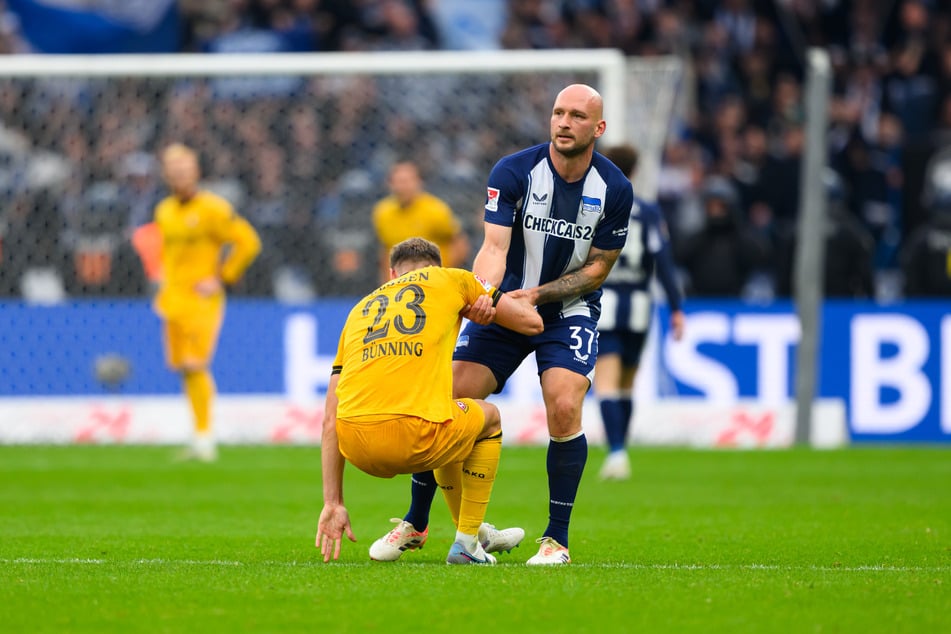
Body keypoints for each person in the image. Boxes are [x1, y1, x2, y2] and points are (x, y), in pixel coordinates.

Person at [371, 83, 634, 565]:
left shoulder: (615, 188)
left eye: (577, 116)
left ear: (597, 128)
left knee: (563, 403)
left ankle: (556, 539)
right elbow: (493, 248)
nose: (563, 122)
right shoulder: (514, 171)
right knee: (449, 396)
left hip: (568, 308)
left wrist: (539, 294)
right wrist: (484, 298)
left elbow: (598, 268)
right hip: (506, 303)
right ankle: (417, 521)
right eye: (558, 112)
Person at [315, 237, 543, 564]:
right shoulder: (451, 278)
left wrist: (333, 502)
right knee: (487, 417)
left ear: (391, 273)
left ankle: (470, 533)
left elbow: (328, 419)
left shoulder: (359, 310)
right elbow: (531, 323)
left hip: (357, 449)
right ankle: (467, 540)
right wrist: (487, 308)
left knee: (448, 417)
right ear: (438, 265)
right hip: (413, 438)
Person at [152, 143, 261, 461]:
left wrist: (222, 277)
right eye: (173, 169)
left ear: (196, 172)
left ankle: (205, 440)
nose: (179, 174)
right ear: (166, 174)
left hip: (201, 300)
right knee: (184, 369)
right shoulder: (164, 211)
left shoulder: (213, 208)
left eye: (184, 168)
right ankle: (199, 435)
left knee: (195, 364)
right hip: (172, 299)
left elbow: (248, 242)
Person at [595, 144, 685, 481]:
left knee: (606, 383)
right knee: (626, 384)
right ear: (634, 172)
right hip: (639, 309)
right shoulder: (647, 212)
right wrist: (677, 308)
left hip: (603, 305)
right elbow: (663, 263)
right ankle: (621, 450)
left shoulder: (595, 208)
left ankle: (617, 451)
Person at [371, 160, 470, 283]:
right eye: (398, 181)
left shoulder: (436, 210)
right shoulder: (382, 212)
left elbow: (460, 244)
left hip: (434, 281)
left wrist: (444, 275)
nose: (402, 187)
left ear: (419, 182)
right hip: (400, 284)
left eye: (406, 181)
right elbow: (386, 250)